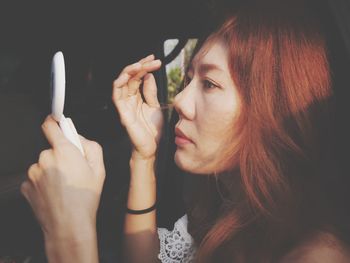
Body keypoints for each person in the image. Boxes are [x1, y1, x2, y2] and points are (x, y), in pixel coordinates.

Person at [21, 0, 350, 262]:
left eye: (209, 83)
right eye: (190, 78)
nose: (179, 100)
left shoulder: (316, 256)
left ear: (273, 109)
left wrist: (70, 235)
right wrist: (144, 154)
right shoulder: (227, 207)